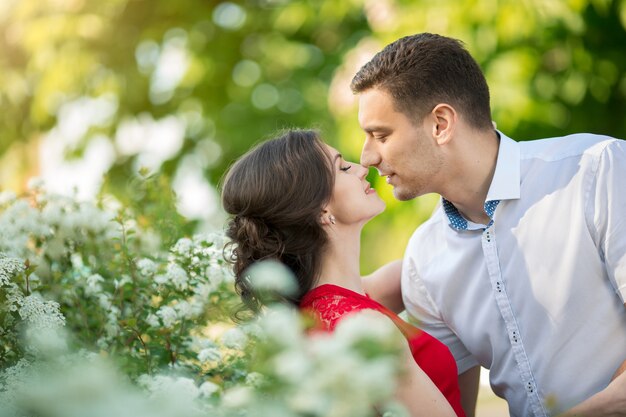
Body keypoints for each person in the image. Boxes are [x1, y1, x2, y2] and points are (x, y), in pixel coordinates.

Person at [351, 32, 626, 417]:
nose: (367, 157)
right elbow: (453, 406)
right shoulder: (423, 259)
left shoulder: (596, 171)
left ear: (441, 124)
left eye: (381, 135)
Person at [221, 129, 464, 417]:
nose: (363, 168)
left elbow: (432, 258)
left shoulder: (320, 314)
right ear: (320, 209)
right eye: (344, 168)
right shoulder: (365, 329)